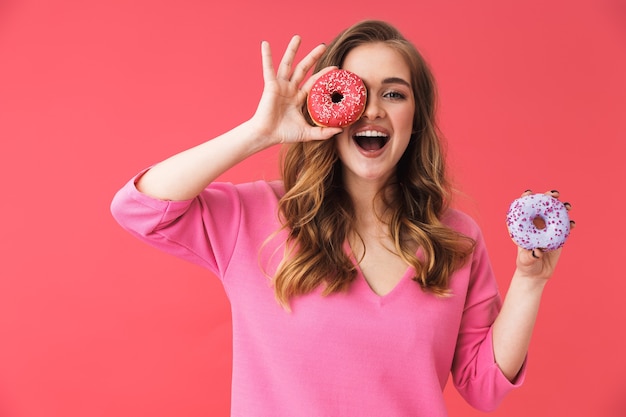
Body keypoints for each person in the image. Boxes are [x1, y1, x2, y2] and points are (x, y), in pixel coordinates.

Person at [111, 20, 573, 417]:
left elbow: (483, 385)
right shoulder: (255, 217)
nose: (372, 109)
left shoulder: (454, 238)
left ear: (417, 119)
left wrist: (530, 282)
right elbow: (139, 208)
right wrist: (258, 134)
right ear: (324, 105)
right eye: (356, 92)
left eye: (394, 93)